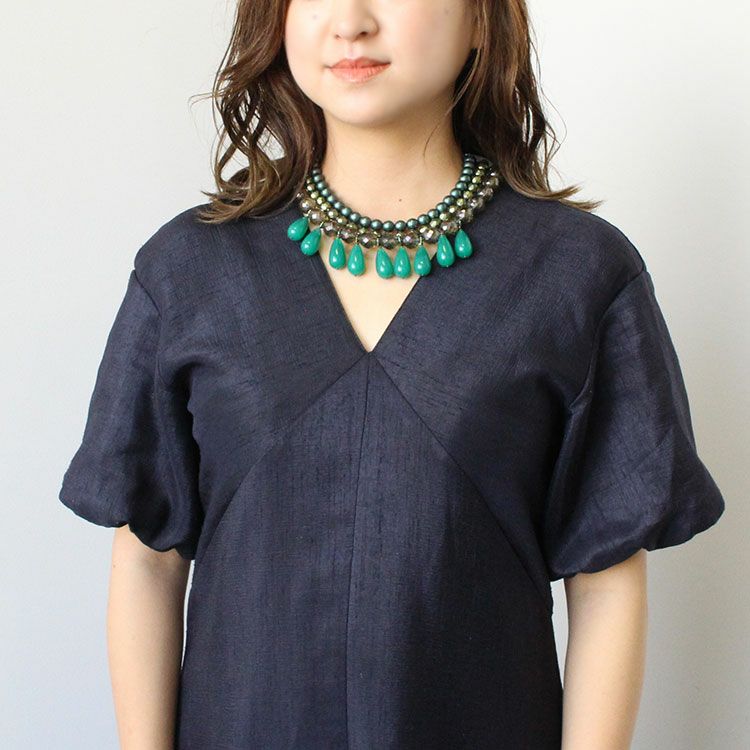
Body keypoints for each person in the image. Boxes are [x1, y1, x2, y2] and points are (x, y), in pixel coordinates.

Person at [58, 1, 726, 748]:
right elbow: (148, 560)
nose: (349, 20)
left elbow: (605, 578)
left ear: (481, 18)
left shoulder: (579, 276)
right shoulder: (188, 270)